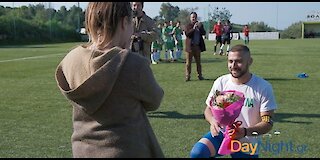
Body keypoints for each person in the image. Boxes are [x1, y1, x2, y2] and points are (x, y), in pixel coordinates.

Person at [55, 2, 164, 158]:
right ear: (123, 23)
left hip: (83, 151)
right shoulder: (133, 64)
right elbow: (155, 100)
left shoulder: (70, 60)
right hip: (127, 150)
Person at [190, 44, 277, 158]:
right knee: (198, 153)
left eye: (238, 61)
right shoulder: (221, 82)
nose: (233, 65)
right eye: (230, 61)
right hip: (221, 134)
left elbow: (267, 122)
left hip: (246, 140)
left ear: (249, 61)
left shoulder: (263, 87)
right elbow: (208, 109)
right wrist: (213, 121)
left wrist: (245, 131)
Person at [184, 12, 206, 82]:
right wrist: (193, 28)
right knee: (188, 63)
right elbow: (187, 34)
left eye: (195, 17)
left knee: (198, 63)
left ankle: (200, 75)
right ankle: (188, 76)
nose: (194, 18)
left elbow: (204, 33)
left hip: (197, 47)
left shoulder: (199, 25)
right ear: (190, 18)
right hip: (190, 47)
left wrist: (199, 27)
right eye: (192, 17)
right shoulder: (188, 25)